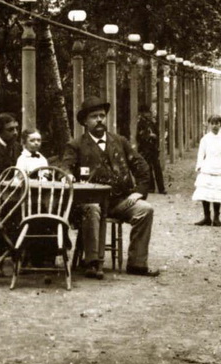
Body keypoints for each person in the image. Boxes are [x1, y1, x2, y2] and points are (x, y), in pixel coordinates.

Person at [64, 97, 158, 279]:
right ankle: (91, 263)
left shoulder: (119, 141)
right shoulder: (76, 145)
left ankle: (137, 264)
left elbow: (142, 167)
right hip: (89, 203)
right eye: (94, 116)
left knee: (145, 210)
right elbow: (65, 165)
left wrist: (139, 192)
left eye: (102, 115)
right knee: (92, 210)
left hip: (119, 202)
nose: (99, 119)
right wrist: (68, 174)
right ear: (85, 121)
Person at [193, 114, 221, 226]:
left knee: (217, 191)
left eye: (217, 123)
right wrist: (199, 165)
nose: (215, 126)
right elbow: (201, 153)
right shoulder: (205, 139)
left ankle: (216, 218)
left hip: (219, 165)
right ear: (209, 125)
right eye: (213, 123)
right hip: (208, 165)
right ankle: (207, 217)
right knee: (206, 191)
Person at [136, 104, 166, 194]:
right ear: (142, 114)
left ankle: (161, 188)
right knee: (148, 168)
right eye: (146, 112)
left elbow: (157, 133)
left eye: (148, 112)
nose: (148, 114)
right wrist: (149, 135)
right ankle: (151, 188)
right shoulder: (140, 124)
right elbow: (138, 137)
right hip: (145, 149)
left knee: (157, 168)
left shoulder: (151, 123)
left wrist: (155, 138)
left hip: (153, 148)